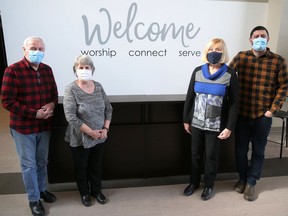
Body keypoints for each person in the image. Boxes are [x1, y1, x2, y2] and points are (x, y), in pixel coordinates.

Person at [229, 26, 288, 201]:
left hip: (263, 116)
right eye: (256, 36)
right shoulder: (241, 57)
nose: (260, 38)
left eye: (263, 36)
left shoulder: (278, 61)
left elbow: (284, 86)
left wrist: (273, 110)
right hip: (242, 113)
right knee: (240, 150)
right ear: (250, 40)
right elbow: (227, 75)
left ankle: (251, 182)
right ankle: (242, 178)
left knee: (259, 151)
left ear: (268, 39)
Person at [1, 36, 58, 216]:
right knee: (28, 165)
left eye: (41, 49)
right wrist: (33, 113)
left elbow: (53, 94)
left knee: (42, 162)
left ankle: (42, 190)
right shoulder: (13, 71)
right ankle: (34, 200)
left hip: (44, 126)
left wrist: (52, 105)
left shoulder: (47, 70)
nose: (37, 52)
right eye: (33, 48)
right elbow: (7, 101)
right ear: (24, 49)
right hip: (23, 128)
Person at [183, 38, 238, 201]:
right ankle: (194, 182)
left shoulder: (229, 74)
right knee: (195, 154)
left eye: (218, 49)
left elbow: (234, 104)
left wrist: (229, 127)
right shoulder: (197, 71)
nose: (215, 52)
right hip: (197, 122)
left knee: (211, 156)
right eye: (212, 49)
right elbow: (190, 97)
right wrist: (186, 119)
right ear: (207, 51)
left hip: (216, 125)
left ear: (223, 52)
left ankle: (208, 185)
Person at [63, 54, 113, 207]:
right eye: (81, 67)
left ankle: (96, 191)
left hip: (100, 136)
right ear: (75, 70)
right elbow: (71, 116)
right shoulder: (71, 88)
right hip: (80, 137)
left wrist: (105, 129)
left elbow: (108, 109)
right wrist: (91, 132)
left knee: (96, 165)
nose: (84, 70)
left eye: (87, 67)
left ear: (92, 69)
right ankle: (84, 193)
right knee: (81, 167)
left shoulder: (98, 86)